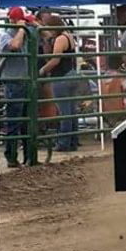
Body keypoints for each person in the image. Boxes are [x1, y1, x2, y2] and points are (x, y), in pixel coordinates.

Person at [0, 7, 35, 166]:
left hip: (25, 81)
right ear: (13, 21)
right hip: (13, 82)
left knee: (27, 121)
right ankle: (11, 156)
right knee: (14, 121)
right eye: (21, 20)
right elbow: (15, 45)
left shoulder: (26, 33)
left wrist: (34, 24)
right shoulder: (5, 35)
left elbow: (46, 35)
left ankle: (29, 157)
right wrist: (21, 29)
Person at [38, 17, 79, 152]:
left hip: (61, 77)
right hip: (71, 73)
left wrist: (42, 70)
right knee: (71, 111)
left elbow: (55, 60)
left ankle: (63, 143)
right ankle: (73, 141)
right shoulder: (68, 36)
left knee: (64, 112)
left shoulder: (60, 39)